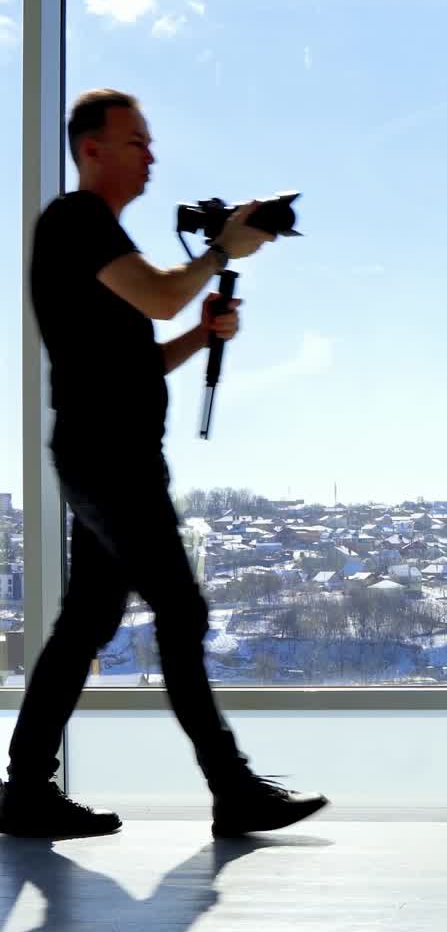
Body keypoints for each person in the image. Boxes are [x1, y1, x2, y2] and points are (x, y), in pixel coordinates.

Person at [0, 89, 328, 841]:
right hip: (110, 459)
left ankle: (24, 792)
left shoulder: (99, 242)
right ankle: (233, 789)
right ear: (93, 150)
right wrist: (221, 254)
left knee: (88, 621)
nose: (151, 155)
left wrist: (205, 334)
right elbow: (156, 298)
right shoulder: (76, 221)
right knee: (181, 612)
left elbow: (141, 355)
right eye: (137, 142)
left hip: (102, 454)